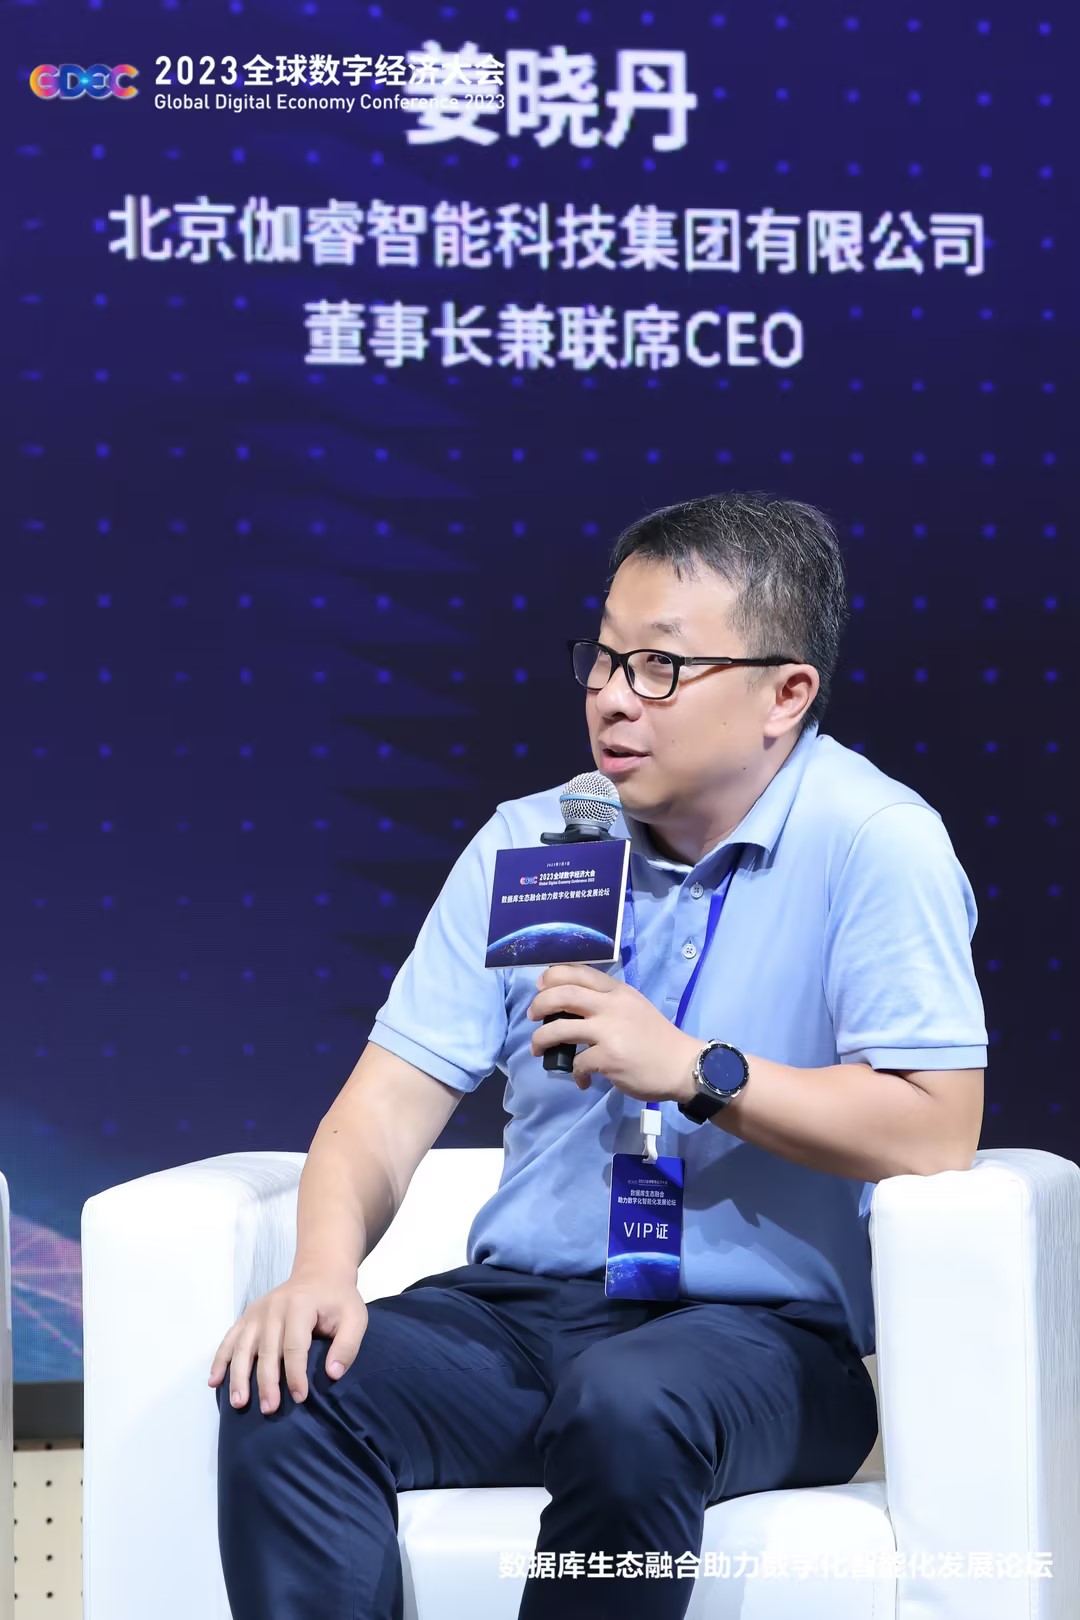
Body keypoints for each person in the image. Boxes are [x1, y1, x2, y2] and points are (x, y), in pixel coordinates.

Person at [211, 491, 987, 1620]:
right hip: (524, 1313)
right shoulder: (536, 841)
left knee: (627, 1403)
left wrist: (699, 1071)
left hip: (762, 1342)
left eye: (661, 667)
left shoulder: (875, 843)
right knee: (289, 1388)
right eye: (606, 659)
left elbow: (936, 1127)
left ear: (786, 694)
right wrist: (323, 1271)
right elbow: (381, 1108)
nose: (614, 697)